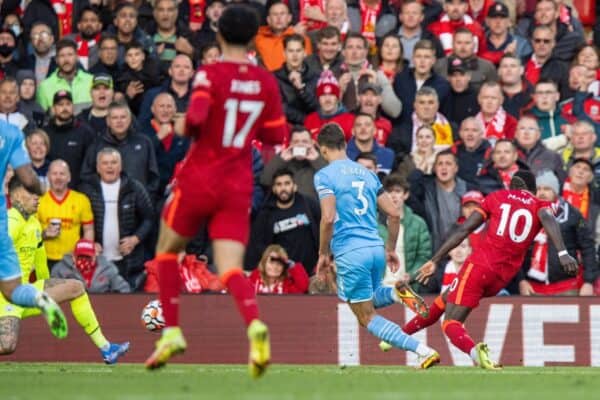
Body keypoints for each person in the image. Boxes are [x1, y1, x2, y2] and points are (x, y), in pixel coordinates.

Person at [144, 5, 288, 377]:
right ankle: (254, 323)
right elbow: (275, 136)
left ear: (219, 36)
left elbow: (194, 120)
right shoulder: (266, 82)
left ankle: (172, 331)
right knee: (229, 269)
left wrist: (174, 127)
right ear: (256, 36)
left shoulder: (209, 74)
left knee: (166, 251)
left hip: (200, 177)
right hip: (238, 182)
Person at [402, 170, 578, 369]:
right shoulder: (540, 204)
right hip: (502, 277)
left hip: (480, 266)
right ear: (533, 189)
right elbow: (548, 218)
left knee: (450, 322)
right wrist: (563, 253)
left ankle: (476, 354)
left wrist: (436, 259)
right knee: (445, 298)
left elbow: (464, 229)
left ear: (512, 186)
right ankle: (400, 335)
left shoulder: (496, 197)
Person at [313, 123, 440, 368]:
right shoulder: (368, 174)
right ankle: (395, 292)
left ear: (323, 149)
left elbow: (328, 218)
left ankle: (422, 350)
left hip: (350, 252)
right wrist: (390, 249)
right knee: (366, 298)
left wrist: (322, 253)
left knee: (366, 316)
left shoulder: (325, 176)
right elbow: (393, 213)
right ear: (345, 143)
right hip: (375, 247)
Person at [3, 178, 130, 362]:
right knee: (7, 346)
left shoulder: (34, 224)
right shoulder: (10, 222)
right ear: (15, 196)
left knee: (76, 288)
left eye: (38, 193)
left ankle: (107, 348)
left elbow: (40, 264)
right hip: (6, 296)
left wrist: (48, 290)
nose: (38, 198)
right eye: (32, 193)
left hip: (27, 290)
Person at [0, 118, 68, 340]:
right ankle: (39, 298)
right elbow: (29, 179)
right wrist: (41, 188)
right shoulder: (10, 132)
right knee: (12, 289)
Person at [518, 170, 598, 296]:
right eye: (538, 189)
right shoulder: (524, 215)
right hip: (531, 287)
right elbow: (514, 251)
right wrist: (521, 280)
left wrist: (588, 282)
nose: (542, 192)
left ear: (555, 191)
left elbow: (588, 247)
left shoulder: (573, 214)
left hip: (567, 287)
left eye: (547, 188)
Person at [247, 167, 321, 276]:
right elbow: (258, 245)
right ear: (274, 189)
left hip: (312, 272)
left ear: (294, 187)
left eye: (287, 183)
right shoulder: (266, 214)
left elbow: (324, 226)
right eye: (279, 184)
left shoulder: (309, 204)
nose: (283, 188)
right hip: (282, 275)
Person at [37, 160, 94, 269]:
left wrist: (85, 254)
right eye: (54, 174)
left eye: (62, 174)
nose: (58, 177)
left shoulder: (81, 200)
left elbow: (88, 229)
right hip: (45, 260)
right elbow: (30, 235)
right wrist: (44, 234)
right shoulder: (39, 201)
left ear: (69, 177)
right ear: (48, 176)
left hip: (72, 260)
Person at [51, 239, 131, 294]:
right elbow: (52, 292)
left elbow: (124, 289)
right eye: (80, 257)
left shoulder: (107, 268)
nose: (84, 260)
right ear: (73, 257)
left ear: (95, 256)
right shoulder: (60, 269)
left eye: (88, 257)